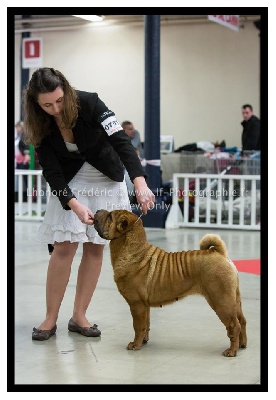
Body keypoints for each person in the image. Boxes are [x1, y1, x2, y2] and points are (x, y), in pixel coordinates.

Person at [23, 67, 155, 341]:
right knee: (64, 248)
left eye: (59, 100)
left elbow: (121, 141)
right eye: (47, 104)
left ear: (67, 92)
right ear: (36, 103)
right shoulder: (38, 122)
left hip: (106, 176)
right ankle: (50, 318)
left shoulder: (91, 102)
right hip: (70, 181)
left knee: (95, 248)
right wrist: (72, 203)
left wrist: (139, 181)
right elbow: (51, 170)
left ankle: (79, 315)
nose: (55, 108)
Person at [14, 121, 30, 201]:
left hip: (23, 160)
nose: (17, 129)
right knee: (21, 179)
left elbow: (26, 146)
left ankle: (29, 196)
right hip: (18, 161)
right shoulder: (18, 137)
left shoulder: (24, 136)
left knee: (26, 179)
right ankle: (22, 196)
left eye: (18, 127)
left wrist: (27, 155)